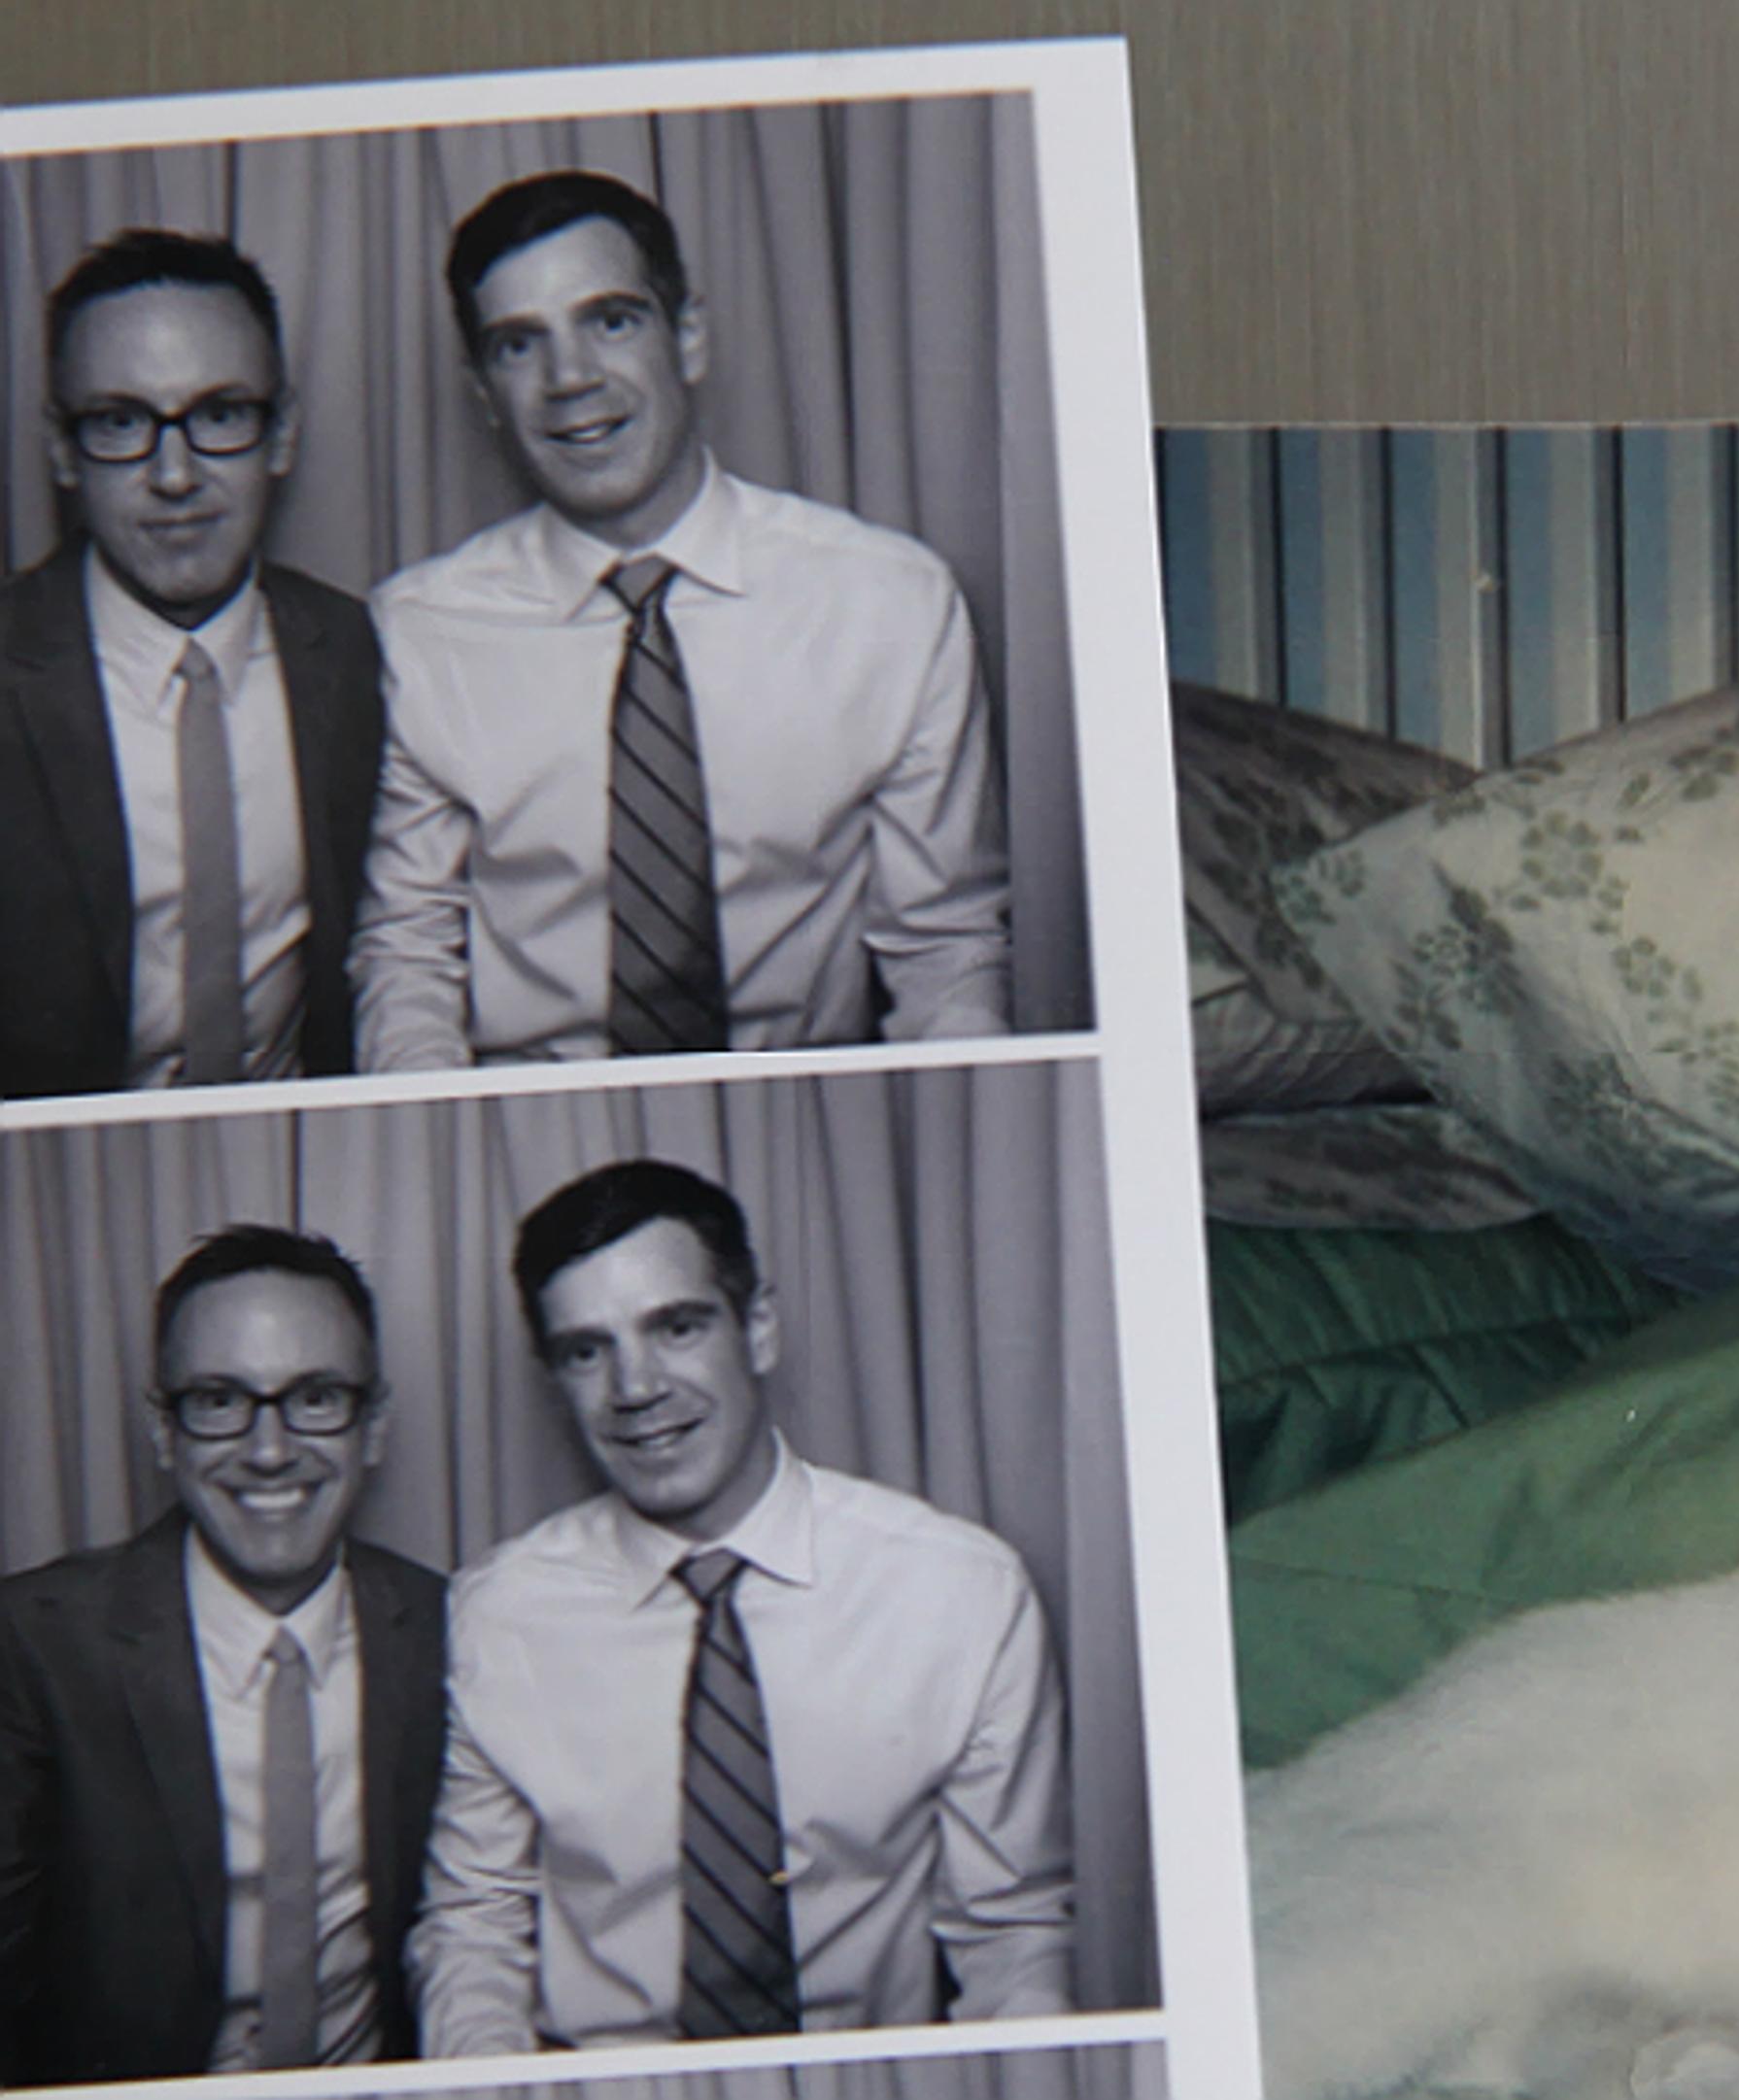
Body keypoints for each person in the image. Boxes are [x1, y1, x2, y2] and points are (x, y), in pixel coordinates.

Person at [351, 169, 1010, 1066]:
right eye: (519, 345)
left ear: (688, 337)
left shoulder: (890, 603)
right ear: (482, 392)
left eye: (611, 322)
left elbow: (946, 951)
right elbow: (407, 956)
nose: (570, 379)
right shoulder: (418, 632)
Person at [414, 1158, 1072, 2053]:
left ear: (758, 1327)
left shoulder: (960, 1591)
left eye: (677, 1328)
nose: (636, 1388)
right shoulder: (500, 1614)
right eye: (586, 1351)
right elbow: (473, 1928)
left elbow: (1013, 1934)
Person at [0, 1228, 447, 2083]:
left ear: (374, 1427)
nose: (269, 1450)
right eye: (217, 1401)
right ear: (163, 1432)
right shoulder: (33, 1646)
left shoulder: (447, 1631)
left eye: (317, 1397)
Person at [0, 232, 386, 1097]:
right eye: (119, 422)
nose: (173, 476)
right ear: (61, 449)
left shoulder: (357, 652)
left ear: (280, 433)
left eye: (219, 415)